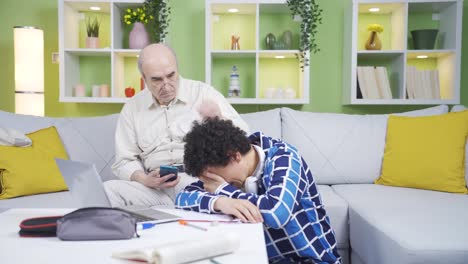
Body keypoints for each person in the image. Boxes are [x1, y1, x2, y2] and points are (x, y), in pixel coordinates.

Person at [175, 118, 341, 264]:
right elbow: (182, 198)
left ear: (234, 156)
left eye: (216, 178)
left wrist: (222, 190)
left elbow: (277, 212)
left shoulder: (285, 157)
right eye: (213, 180)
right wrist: (220, 201)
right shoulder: (222, 165)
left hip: (312, 260)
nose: (218, 183)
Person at [105, 43, 249, 207]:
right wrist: (145, 179)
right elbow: (124, 161)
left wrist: (219, 118)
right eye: (157, 80)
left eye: (171, 75)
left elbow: (244, 136)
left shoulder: (203, 93)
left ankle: (186, 208)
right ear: (144, 79)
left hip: (200, 181)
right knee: (108, 190)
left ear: (177, 69)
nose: (166, 85)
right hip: (155, 190)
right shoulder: (132, 108)